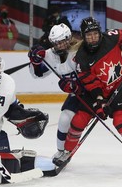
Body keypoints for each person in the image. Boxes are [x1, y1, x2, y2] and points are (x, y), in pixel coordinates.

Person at [53, 17, 122, 177]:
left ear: (99, 32)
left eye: (95, 34)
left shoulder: (112, 36)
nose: (93, 38)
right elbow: (91, 84)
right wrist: (99, 102)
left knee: (121, 120)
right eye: (88, 35)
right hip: (99, 91)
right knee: (79, 119)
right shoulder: (81, 57)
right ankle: (67, 152)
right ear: (83, 36)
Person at [28, 23, 82, 165]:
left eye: (63, 41)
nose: (60, 45)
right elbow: (38, 74)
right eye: (56, 42)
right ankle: (61, 151)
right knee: (64, 119)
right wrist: (35, 61)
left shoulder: (81, 49)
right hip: (77, 94)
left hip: (94, 90)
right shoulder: (50, 55)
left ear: (69, 38)